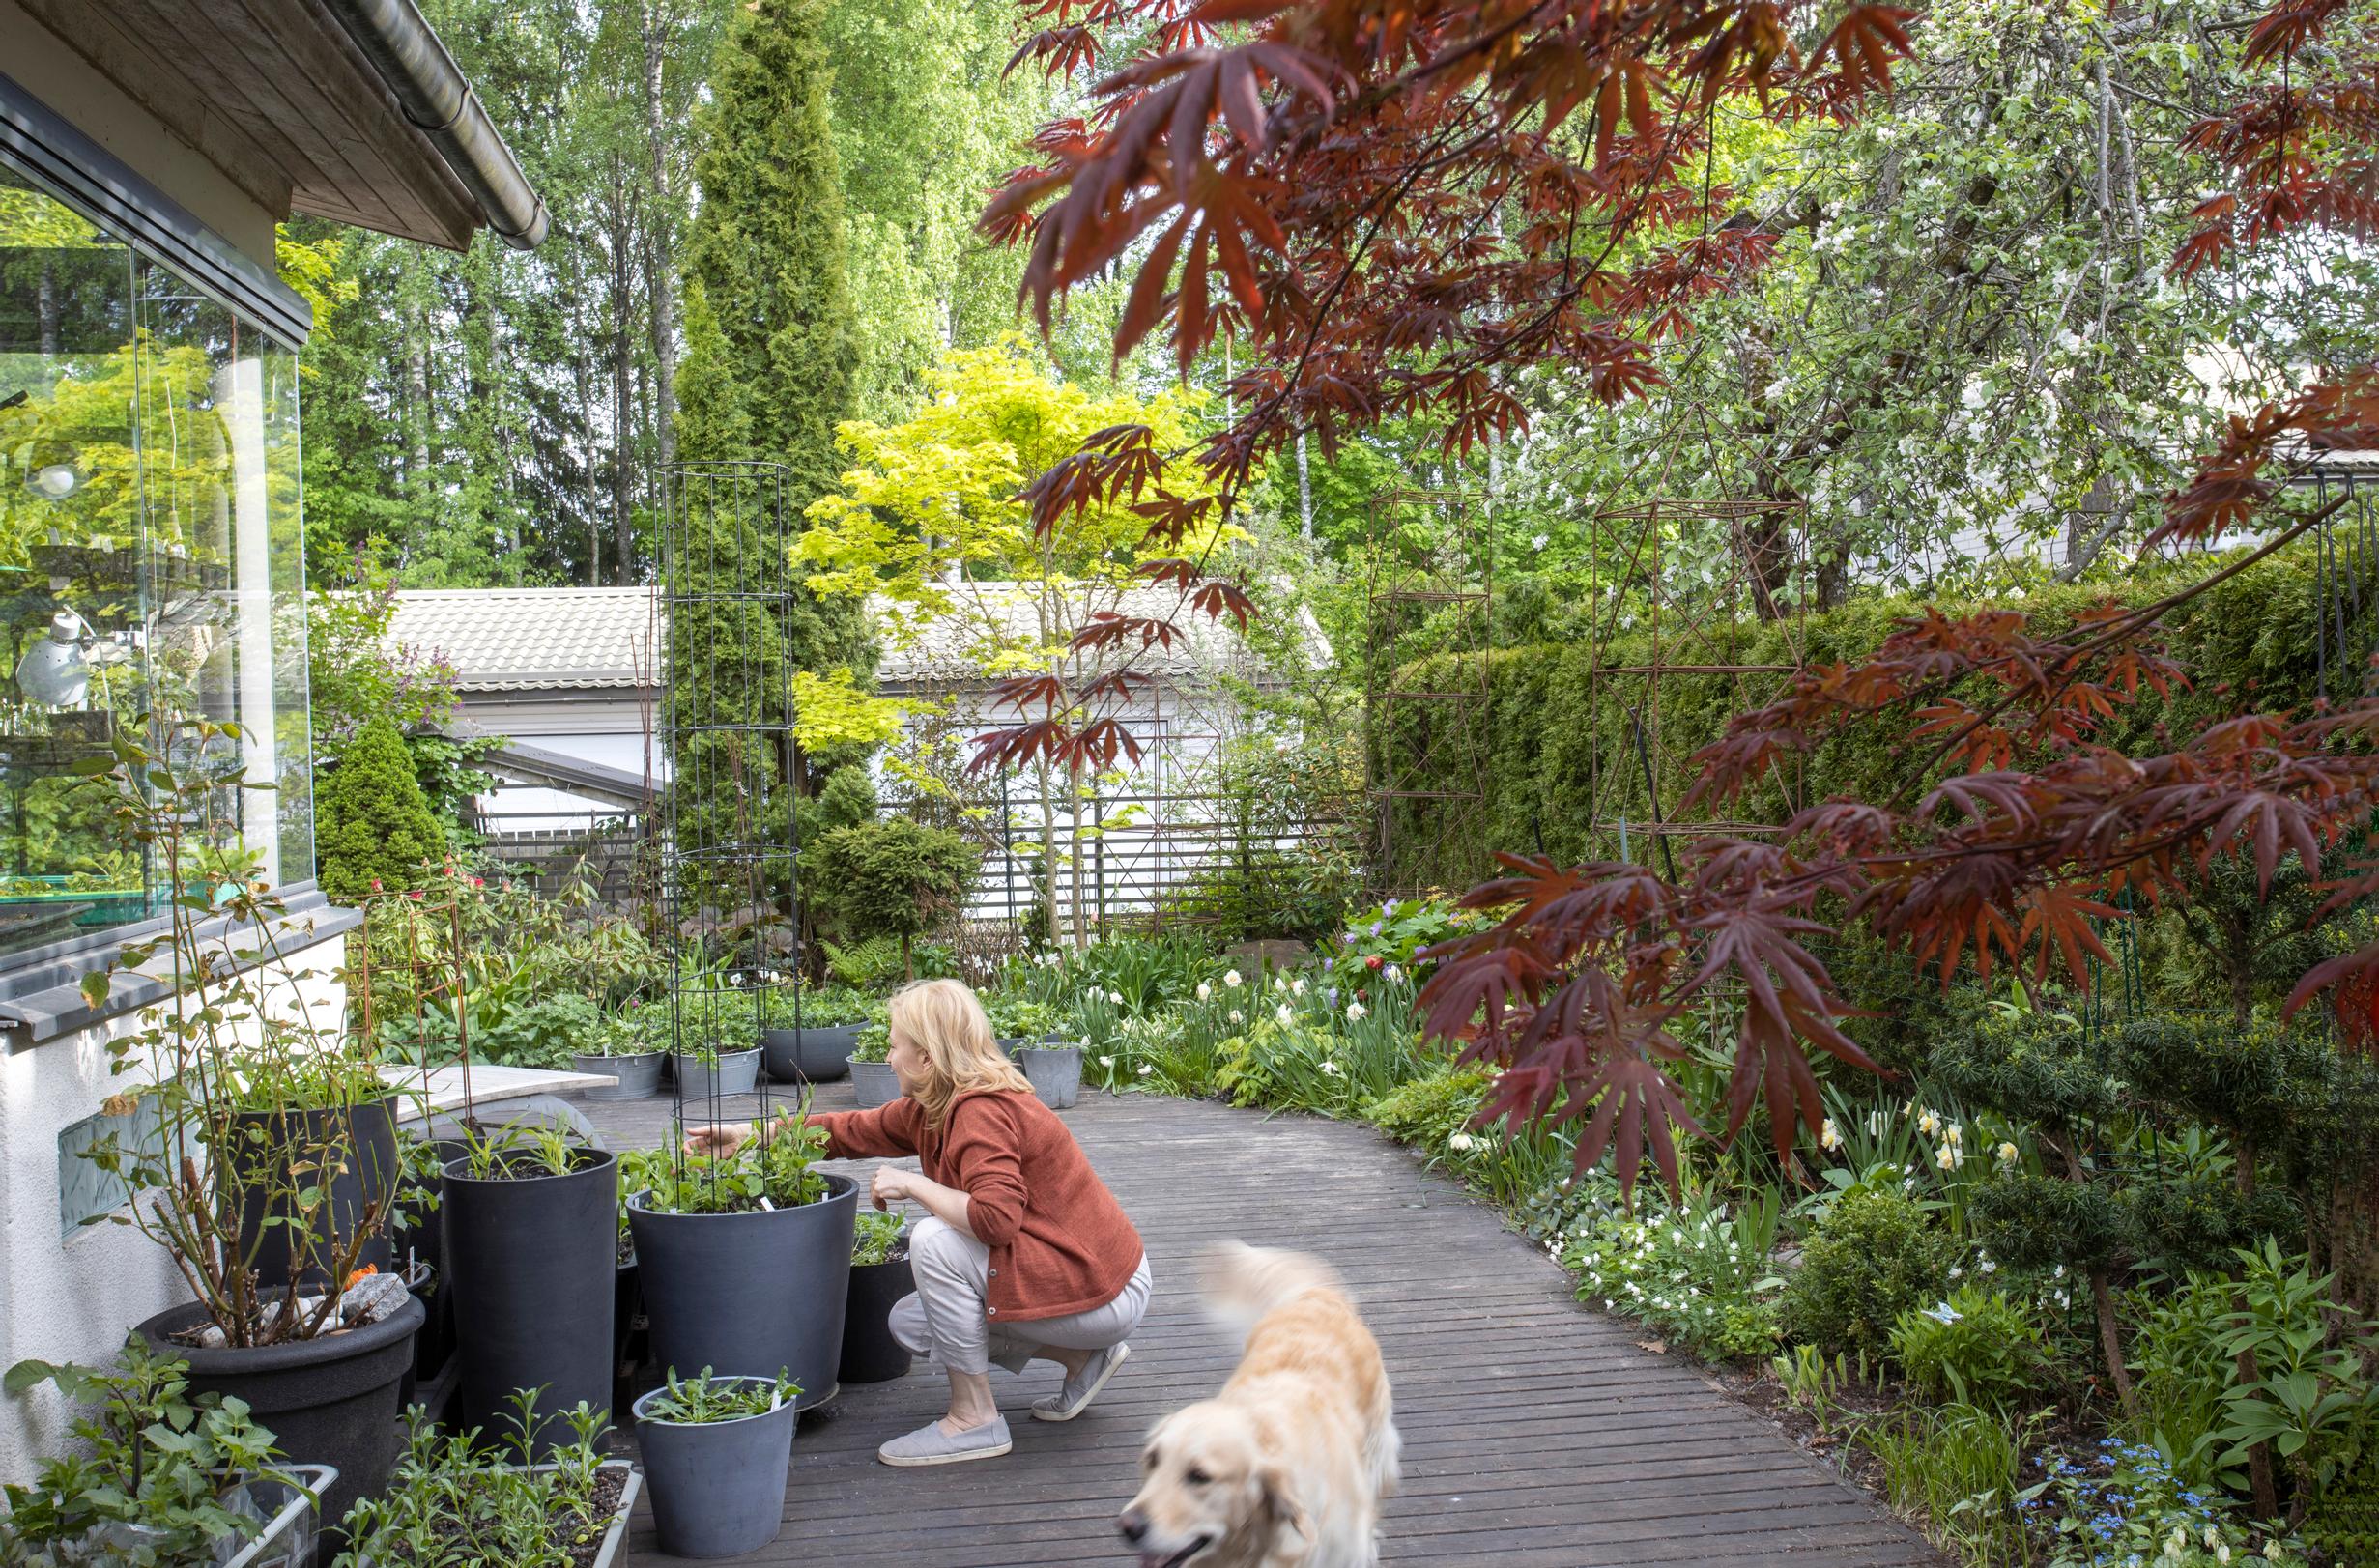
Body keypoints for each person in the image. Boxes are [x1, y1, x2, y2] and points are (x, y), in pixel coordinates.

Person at [685, 977, 1151, 1467]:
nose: (887, 1058)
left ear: (926, 1058)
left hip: (1104, 1286)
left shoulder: (980, 1111)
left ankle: (975, 1420)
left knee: (931, 1239)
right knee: (915, 1323)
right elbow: (849, 1131)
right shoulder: (936, 1107)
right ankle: (1082, 1359)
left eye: (893, 1047)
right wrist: (752, 1134)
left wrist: (913, 1184)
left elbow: (996, 1221)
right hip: (1089, 1275)